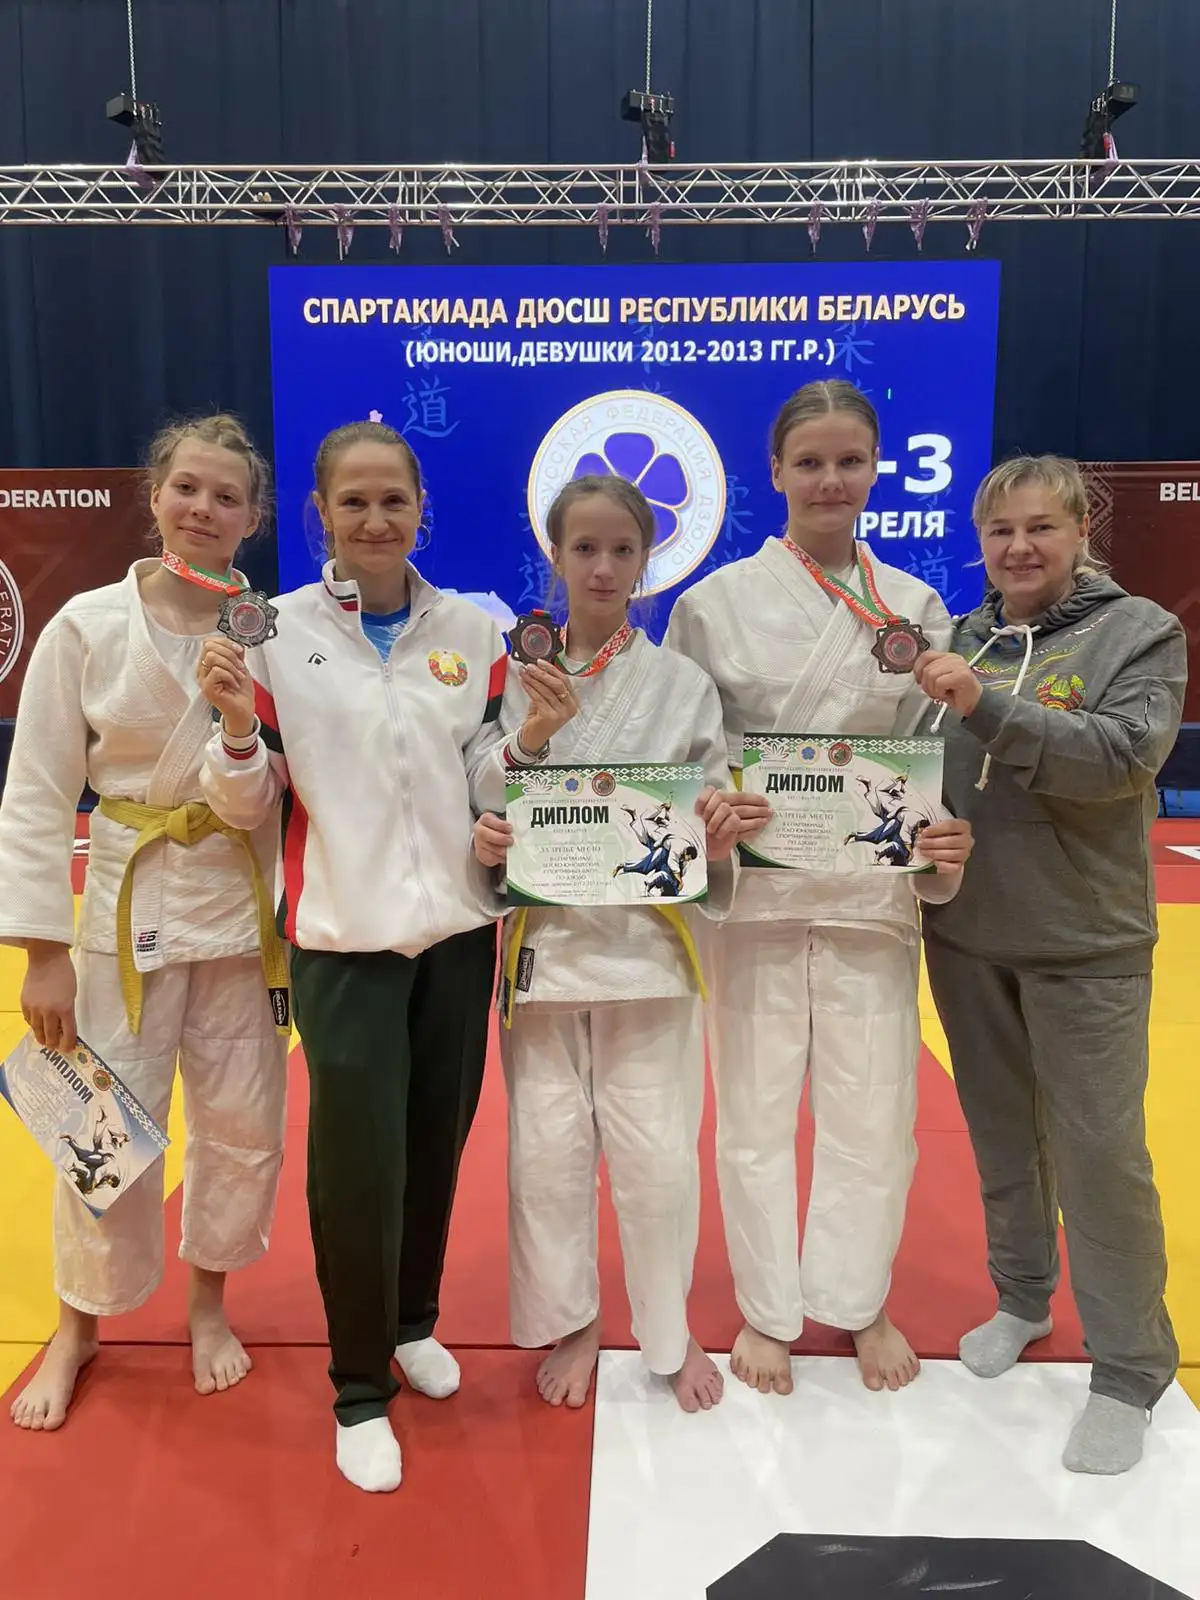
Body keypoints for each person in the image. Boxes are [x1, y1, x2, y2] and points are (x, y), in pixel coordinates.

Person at [197, 420, 506, 1495]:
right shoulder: (273, 634)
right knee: (357, 1165)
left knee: (435, 1143)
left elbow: (486, 771)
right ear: (320, 514)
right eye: (354, 501)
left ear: (422, 508)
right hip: (342, 939)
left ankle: (413, 1322)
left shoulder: (475, 628)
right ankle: (360, 1387)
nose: (376, 519)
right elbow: (245, 801)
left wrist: (530, 752)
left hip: (459, 936)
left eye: (394, 500)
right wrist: (236, 727)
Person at [665, 380, 974, 1397]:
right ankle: (768, 1310)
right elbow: (685, 747)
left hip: (868, 898)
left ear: (875, 469)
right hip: (756, 898)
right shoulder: (713, 605)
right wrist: (713, 806)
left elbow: (930, 757)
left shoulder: (914, 609)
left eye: (849, 461)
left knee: (874, 1115)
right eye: (810, 462)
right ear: (777, 473)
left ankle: (857, 1298)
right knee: (754, 1115)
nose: (830, 479)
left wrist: (938, 844)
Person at [0, 415, 290, 1431]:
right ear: (154, 496)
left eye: (227, 496)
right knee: (98, 1127)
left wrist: (242, 730)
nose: (204, 508)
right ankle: (78, 1323)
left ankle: (209, 1305)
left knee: (241, 1123)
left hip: (238, 908)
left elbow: (276, 792)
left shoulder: (271, 634)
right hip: (123, 905)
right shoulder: (85, 626)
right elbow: (38, 794)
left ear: (252, 519)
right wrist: (42, 953)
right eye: (187, 488)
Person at [914, 455, 1186, 1475]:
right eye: (1001, 531)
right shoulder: (964, 638)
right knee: (1000, 1138)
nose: (1020, 547)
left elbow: (1122, 759)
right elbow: (929, 778)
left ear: (1082, 532)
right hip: (967, 933)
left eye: (1041, 527)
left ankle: (1128, 1369)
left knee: (1101, 1158)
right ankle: (1023, 1296)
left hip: (1086, 942)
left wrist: (985, 707)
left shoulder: (1139, 632)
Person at [470, 476, 756, 1414]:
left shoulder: (681, 683)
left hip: (648, 950)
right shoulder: (515, 674)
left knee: (659, 1158)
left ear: (646, 561)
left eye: (621, 550)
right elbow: (482, 790)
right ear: (554, 556)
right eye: (584, 548)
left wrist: (718, 827)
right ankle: (574, 1322)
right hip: (545, 948)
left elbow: (710, 796)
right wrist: (515, 775)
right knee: (546, 1155)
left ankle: (670, 1333)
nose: (602, 567)